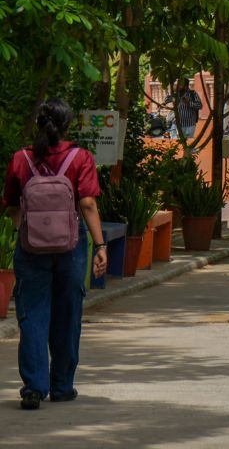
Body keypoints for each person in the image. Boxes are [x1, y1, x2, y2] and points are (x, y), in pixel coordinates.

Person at [3, 100, 106, 410]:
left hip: (31, 248)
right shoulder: (80, 157)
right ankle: (61, 387)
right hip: (71, 247)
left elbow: (11, 204)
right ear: (67, 126)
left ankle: (34, 388)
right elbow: (87, 204)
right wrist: (101, 246)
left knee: (32, 314)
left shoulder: (21, 159)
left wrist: (27, 229)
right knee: (68, 314)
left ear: (39, 124)